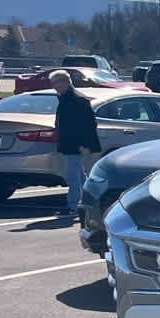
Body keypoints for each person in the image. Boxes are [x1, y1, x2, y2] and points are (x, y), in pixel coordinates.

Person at [52, 70, 100, 217]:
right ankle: (87, 203)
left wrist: (85, 144)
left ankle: (73, 206)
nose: (54, 86)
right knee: (79, 176)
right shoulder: (65, 99)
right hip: (69, 143)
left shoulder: (77, 100)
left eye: (56, 83)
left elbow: (88, 124)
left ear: (66, 82)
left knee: (72, 175)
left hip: (76, 143)